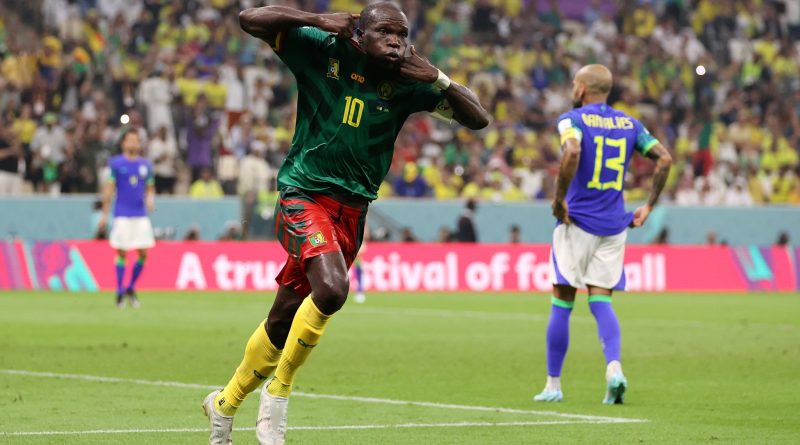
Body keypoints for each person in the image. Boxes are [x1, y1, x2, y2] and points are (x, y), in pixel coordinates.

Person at [202, 3, 490, 444]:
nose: (396, 41)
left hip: (352, 213)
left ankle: (223, 406)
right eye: (386, 32)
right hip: (303, 194)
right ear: (360, 32)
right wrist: (314, 19)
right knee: (334, 290)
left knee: (282, 319)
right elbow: (249, 19)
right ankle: (277, 396)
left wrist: (439, 78)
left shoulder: (409, 80)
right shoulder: (323, 49)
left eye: (403, 34)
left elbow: (479, 119)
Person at [533, 64, 672, 405]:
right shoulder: (630, 124)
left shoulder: (572, 120)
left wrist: (559, 200)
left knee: (562, 300)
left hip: (577, 222)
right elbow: (665, 159)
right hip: (614, 226)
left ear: (581, 88)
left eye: (574, 83)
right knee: (601, 300)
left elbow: (572, 151)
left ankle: (553, 385)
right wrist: (649, 206)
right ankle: (614, 370)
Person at [98, 129, 156, 308]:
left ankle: (130, 287)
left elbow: (150, 187)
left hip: (140, 214)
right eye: (130, 140)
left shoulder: (145, 165)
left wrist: (150, 200)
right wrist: (104, 214)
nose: (133, 143)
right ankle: (119, 291)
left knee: (143, 253)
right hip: (122, 214)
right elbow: (109, 190)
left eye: (136, 140)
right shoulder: (116, 164)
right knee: (122, 252)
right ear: (123, 143)